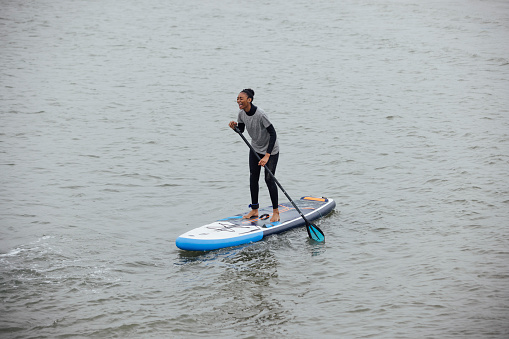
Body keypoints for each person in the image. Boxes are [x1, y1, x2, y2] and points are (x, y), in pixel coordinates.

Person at [228, 89, 280, 222]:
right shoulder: (241, 114)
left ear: (249, 100)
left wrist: (267, 156)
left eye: (241, 99)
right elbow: (242, 130)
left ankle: (276, 212)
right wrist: (235, 128)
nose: (238, 101)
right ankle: (255, 209)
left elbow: (273, 134)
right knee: (253, 177)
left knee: (269, 179)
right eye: (237, 98)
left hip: (271, 150)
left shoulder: (261, 114)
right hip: (255, 148)